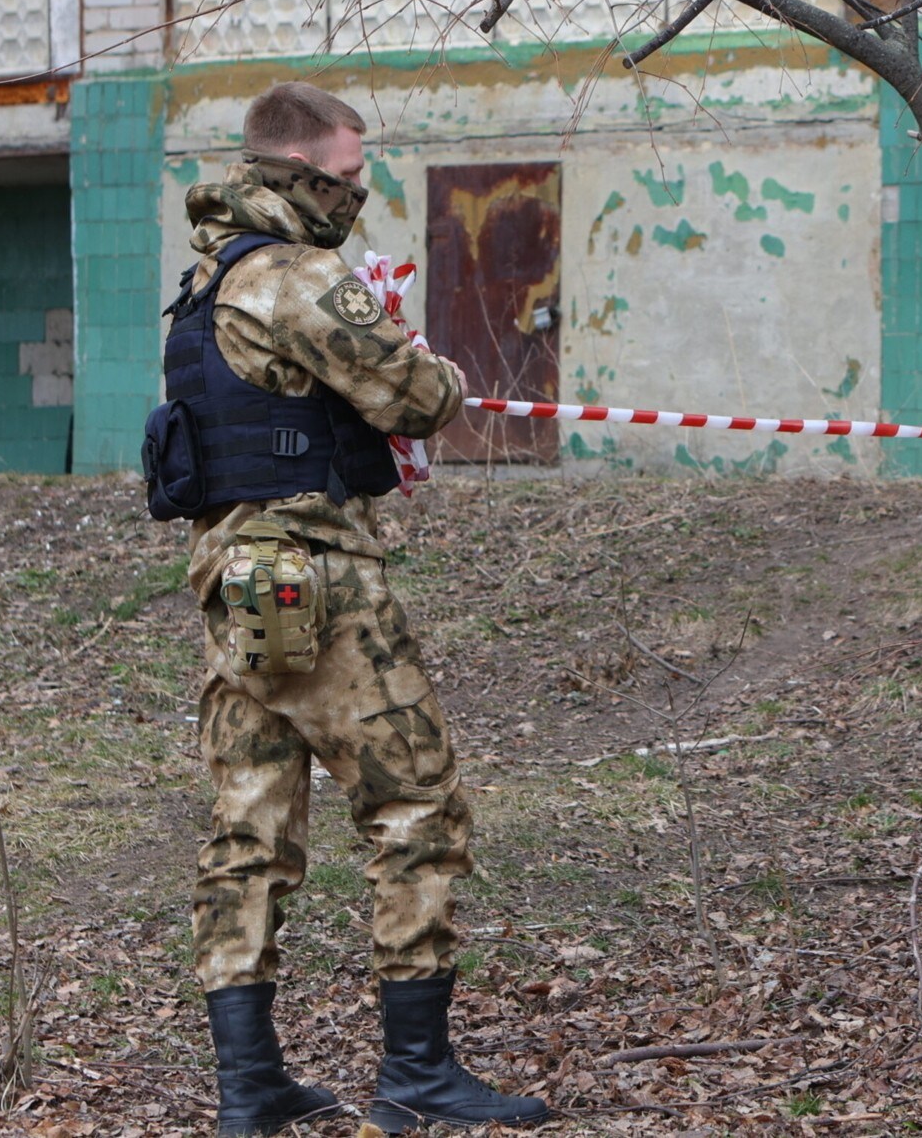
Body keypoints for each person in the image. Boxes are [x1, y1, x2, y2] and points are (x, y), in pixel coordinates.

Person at [155, 81, 549, 1135]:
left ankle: (250, 1089)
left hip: (232, 582)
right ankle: (417, 1075)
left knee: (249, 828)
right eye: (347, 175)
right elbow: (414, 398)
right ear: (295, 175)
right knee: (415, 806)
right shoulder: (297, 277)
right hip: (319, 578)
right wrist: (440, 372)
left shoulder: (205, 286)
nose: (357, 192)